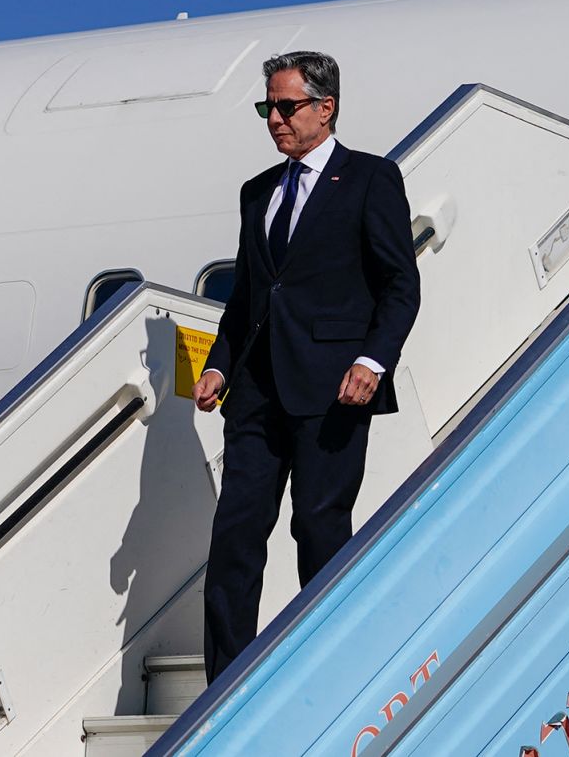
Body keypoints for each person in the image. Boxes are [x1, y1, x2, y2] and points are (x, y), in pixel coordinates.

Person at [192, 51, 420, 682]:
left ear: (327, 107)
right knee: (235, 533)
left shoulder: (372, 179)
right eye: (267, 107)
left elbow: (401, 285)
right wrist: (218, 365)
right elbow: (248, 296)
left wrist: (373, 360)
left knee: (317, 528)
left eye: (286, 106)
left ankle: (328, 670)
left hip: (334, 390)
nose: (274, 119)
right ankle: (226, 683)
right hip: (257, 391)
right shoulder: (257, 192)